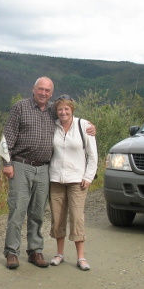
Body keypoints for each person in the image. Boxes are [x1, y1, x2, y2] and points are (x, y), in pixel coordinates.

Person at [2, 77, 95, 270]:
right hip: (21, 164)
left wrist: (90, 127)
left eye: (47, 90)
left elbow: (68, 113)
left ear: (51, 94)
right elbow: (8, 135)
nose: (43, 93)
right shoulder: (20, 107)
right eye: (40, 89)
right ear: (33, 89)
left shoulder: (53, 109)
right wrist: (7, 162)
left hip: (44, 168)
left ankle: (35, 250)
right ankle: (11, 252)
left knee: (37, 212)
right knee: (18, 210)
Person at [47, 95, 98, 271]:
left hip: (78, 180)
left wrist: (88, 177)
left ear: (72, 110)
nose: (63, 112)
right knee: (57, 217)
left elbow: (93, 155)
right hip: (56, 179)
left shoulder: (83, 126)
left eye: (66, 109)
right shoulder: (52, 126)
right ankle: (59, 254)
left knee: (77, 218)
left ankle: (81, 257)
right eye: (60, 109)